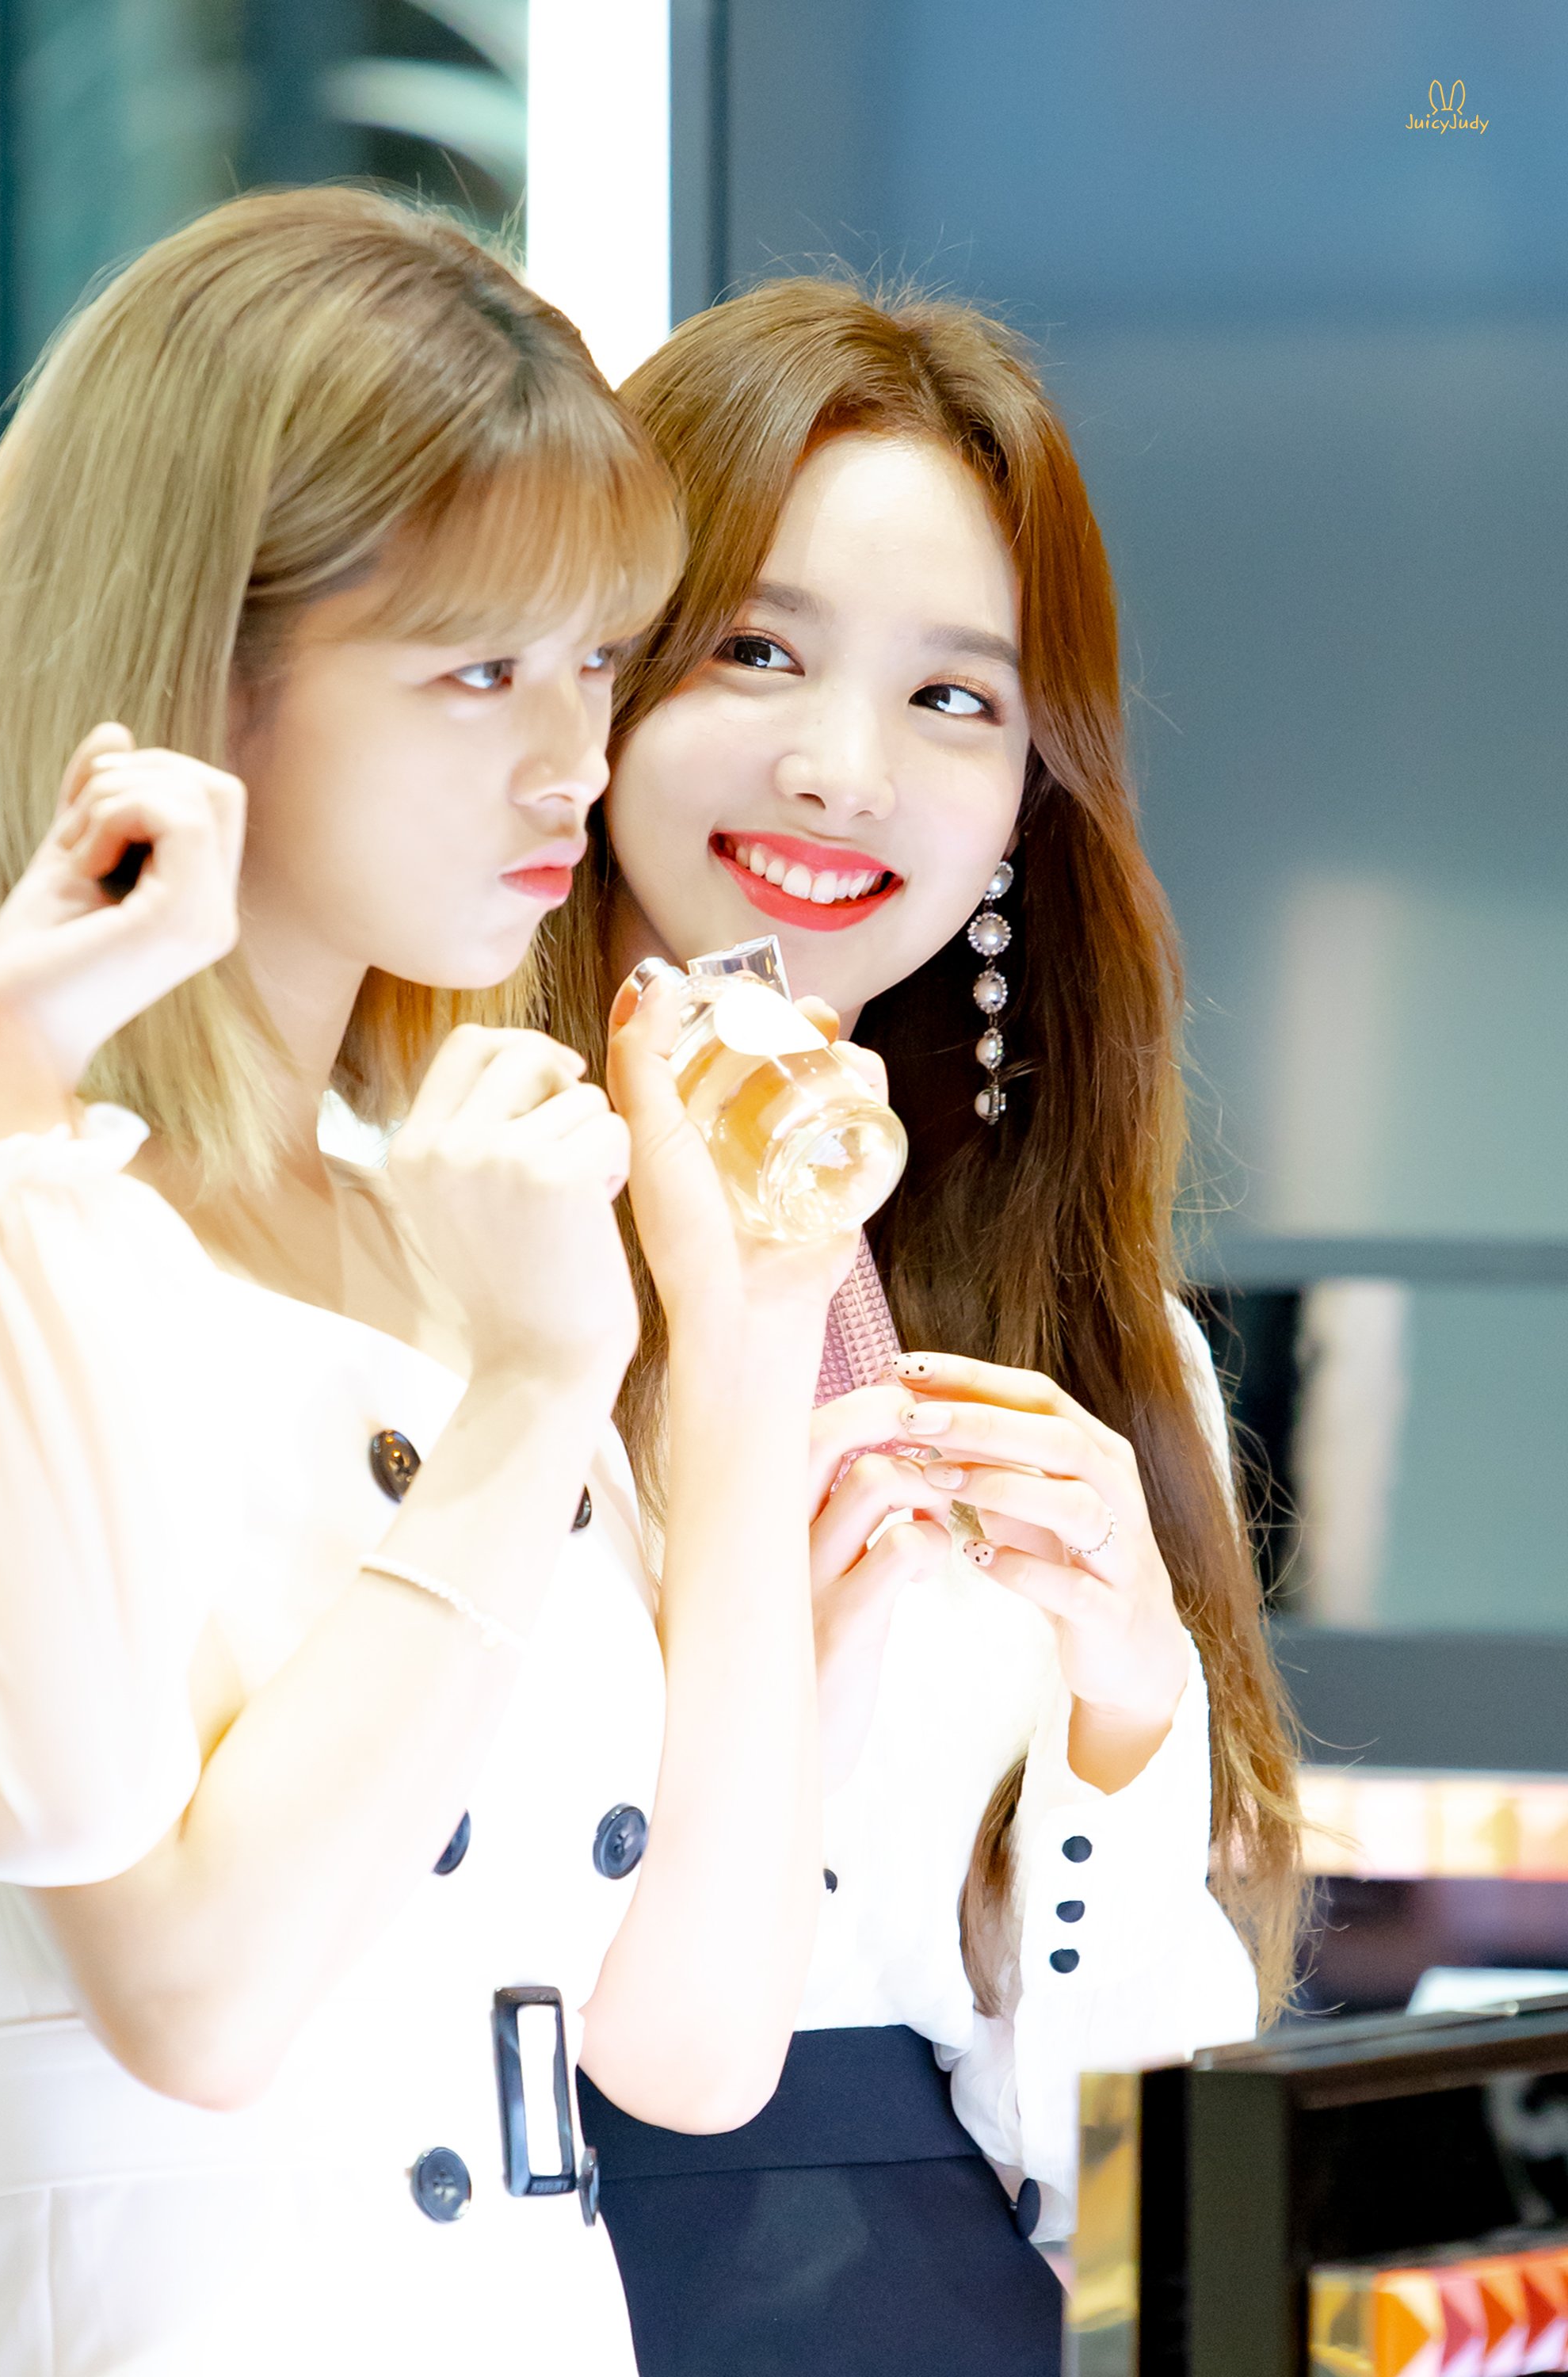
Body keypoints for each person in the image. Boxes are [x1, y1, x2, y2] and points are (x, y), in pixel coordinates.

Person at [0, 194, 860, 2375]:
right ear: (202, 674)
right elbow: (195, 1999)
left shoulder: (445, 1212)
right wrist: (535, 1391)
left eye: (598, 659)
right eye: (478, 670)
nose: (572, 760)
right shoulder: (31, 1221)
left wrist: (739, 1338)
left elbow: (690, 2042)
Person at [540, 277, 1308, 2376]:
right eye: (756, 649)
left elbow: (1150, 2204)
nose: (842, 770)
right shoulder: (421, 1254)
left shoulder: (1098, 1349)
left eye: (957, 698)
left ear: (1033, 795)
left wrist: (1132, 1716)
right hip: (525, 2274)